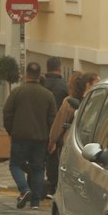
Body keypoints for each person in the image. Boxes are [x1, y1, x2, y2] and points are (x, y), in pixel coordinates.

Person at [2, 60, 56, 209]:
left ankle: (25, 189)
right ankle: (35, 202)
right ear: (39, 76)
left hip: (20, 136)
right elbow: (52, 119)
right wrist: (52, 140)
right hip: (40, 138)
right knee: (38, 168)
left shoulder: (17, 92)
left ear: (26, 76)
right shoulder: (48, 95)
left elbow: (7, 113)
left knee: (15, 165)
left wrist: (11, 131)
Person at [47, 70, 89, 166]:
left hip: (69, 142)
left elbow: (59, 123)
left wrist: (52, 140)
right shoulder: (89, 101)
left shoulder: (68, 102)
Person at [41, 58, 68, 198]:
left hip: (39, 126)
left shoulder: (41, 84)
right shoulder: (64, 86)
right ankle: (52, 186)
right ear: (59, 68)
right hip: (58, 127)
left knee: (39, 158)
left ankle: (38, 186)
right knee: (53, 158)